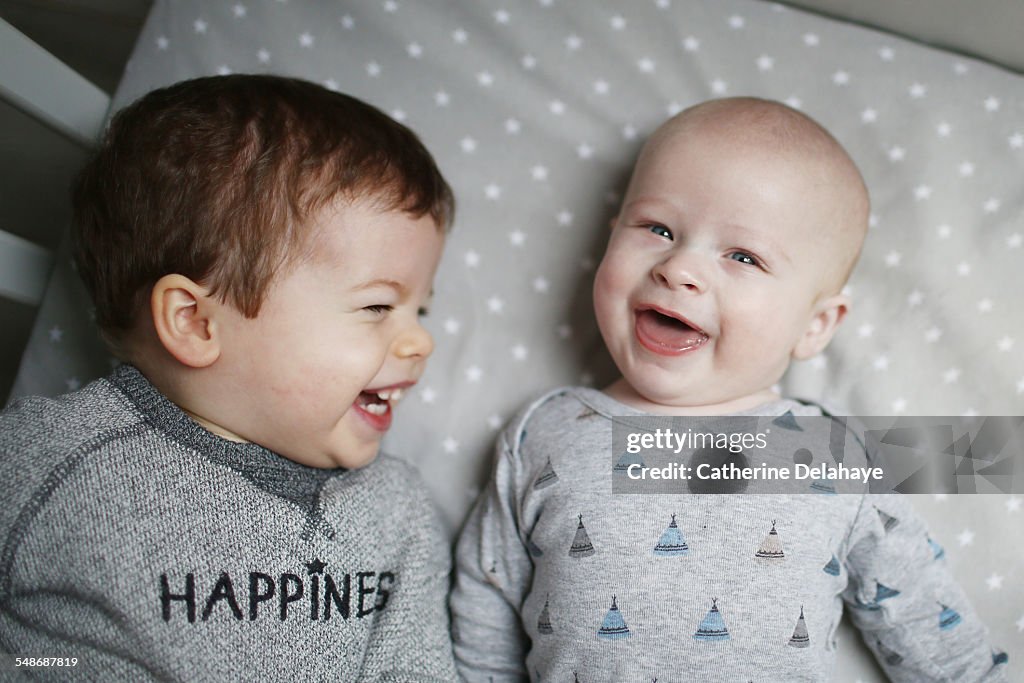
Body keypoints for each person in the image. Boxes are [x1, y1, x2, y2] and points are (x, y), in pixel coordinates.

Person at [450, 97, 1008, 681]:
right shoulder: (543, 432)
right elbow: (485, 613)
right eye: (657, 228)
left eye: (743, 256)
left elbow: (938, 640)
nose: (679, 267)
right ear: (611, 236)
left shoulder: (834, 457)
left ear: (815, 325)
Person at [0, 75, 457, 680]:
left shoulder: (398, 510)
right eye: (377, 306)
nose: (420, 340)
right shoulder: (50, 457)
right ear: (195, 322)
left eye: (419, 311)